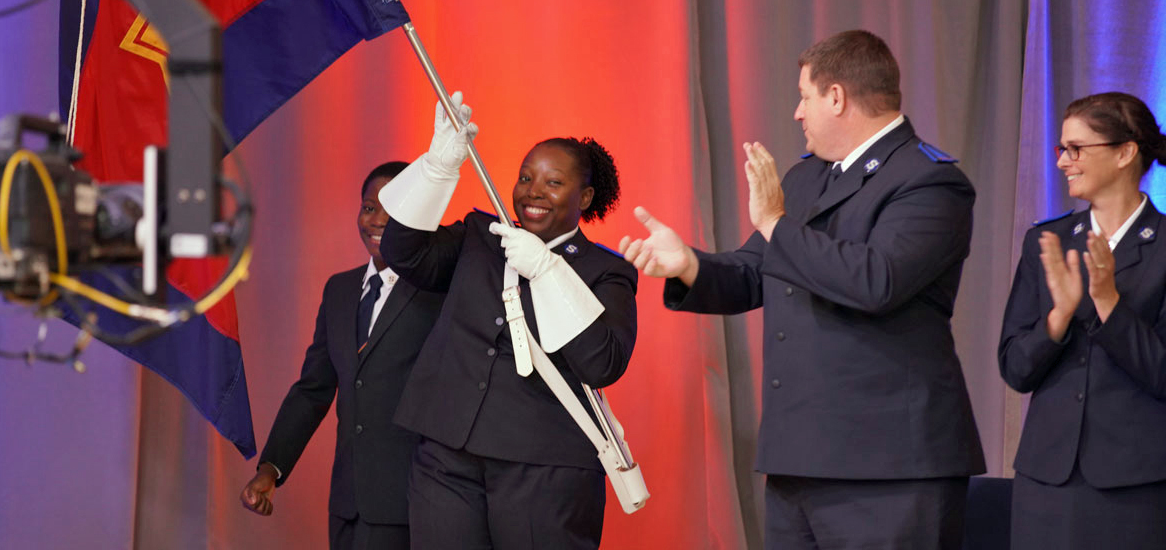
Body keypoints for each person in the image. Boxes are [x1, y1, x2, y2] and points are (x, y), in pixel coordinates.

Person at [620, 30, 985, 549]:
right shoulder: (808, 177)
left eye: (804, 96)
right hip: (799, 458)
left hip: (888, 468)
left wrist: (774, 221)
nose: (796, 113)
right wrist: (688, 266)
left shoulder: (929, 180)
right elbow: (753, 273)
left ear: (836, 97)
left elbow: (876, 281)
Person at [377, 92, 637, 550]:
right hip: (446, 456)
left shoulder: (605, 270)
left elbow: (603, 364)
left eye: (553, 182)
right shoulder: (481, 235)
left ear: (586, 196)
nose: (533, 192)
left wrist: (549, 271)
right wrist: (437, 168)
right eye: (525, 177)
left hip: (545, 467)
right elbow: (404, 254)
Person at [240, 161, 445, 550]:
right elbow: (313, 390)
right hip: (347, 505)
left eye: (395, 210)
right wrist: (271, 469)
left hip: (414, 504)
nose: (378, 221)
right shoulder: (340, 289)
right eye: (370, 207)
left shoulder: (441, 292)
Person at [999, 92, 1166, 549]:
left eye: (1076, 149)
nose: (1063, 162)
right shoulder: (1047, 241)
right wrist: (1058, 318)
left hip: (1136, 485)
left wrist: (1109, 303)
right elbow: (1015, 368)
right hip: (1046, 481)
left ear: (1125, 152)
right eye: (1061, 150)